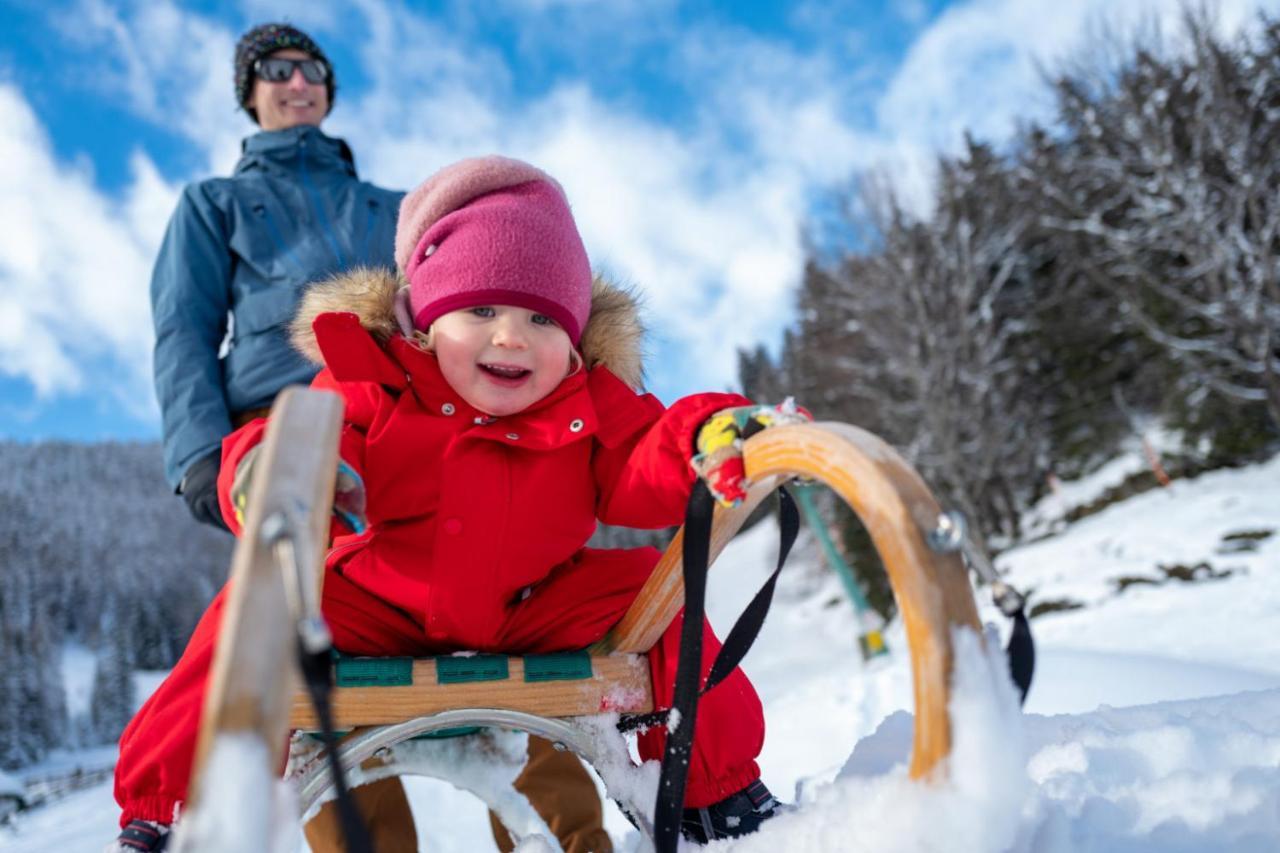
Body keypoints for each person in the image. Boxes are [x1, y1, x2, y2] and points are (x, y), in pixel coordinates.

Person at [117, 155, 792, 851]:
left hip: (531, 606)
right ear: (422, 320)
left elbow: (647, 458)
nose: (511, 335)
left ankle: (717, 793)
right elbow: (312, 439)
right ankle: (169, 809)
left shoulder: (589, 400)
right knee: (249, 611)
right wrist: (279, 470)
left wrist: (705, 436)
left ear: (576, 337)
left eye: (542, 316)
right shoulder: (370, 382)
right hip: (379, 602)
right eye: (480, 309)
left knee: (649, 594)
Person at [139, 22, 607, 853]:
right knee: (304, 637)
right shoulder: (215, 204)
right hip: (284, 442)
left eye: (310, 69)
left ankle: (559, 835)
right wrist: (204, 455)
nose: (296, 82)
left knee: (510, 596)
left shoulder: (390, 208)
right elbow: (183, 329)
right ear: (250, 91)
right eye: (276, 71)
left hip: (411, 431)